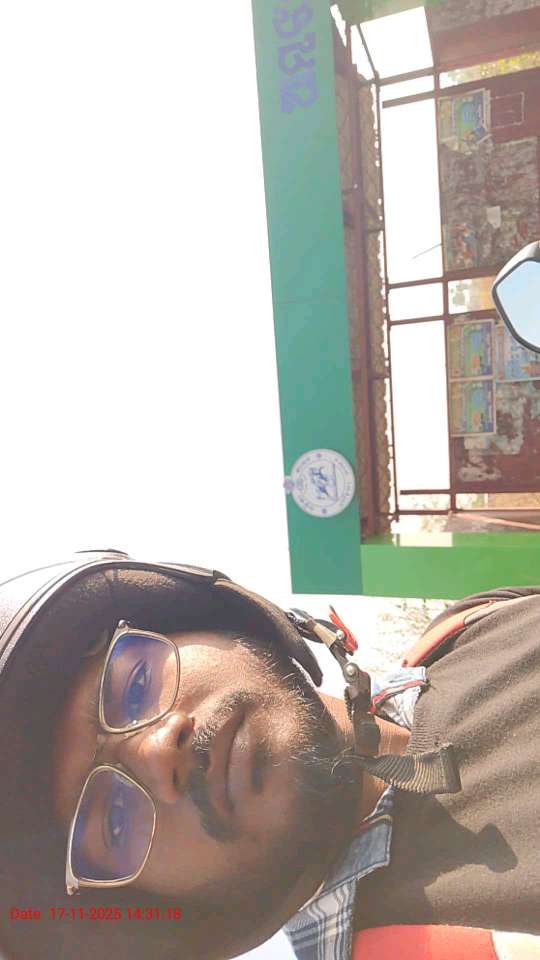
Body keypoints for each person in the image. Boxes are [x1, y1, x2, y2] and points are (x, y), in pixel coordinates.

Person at [1, 550, 540, 960]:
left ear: (210, 619)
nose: (159, 749)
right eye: (115, 822)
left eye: (136, 683)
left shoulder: (473, 626)